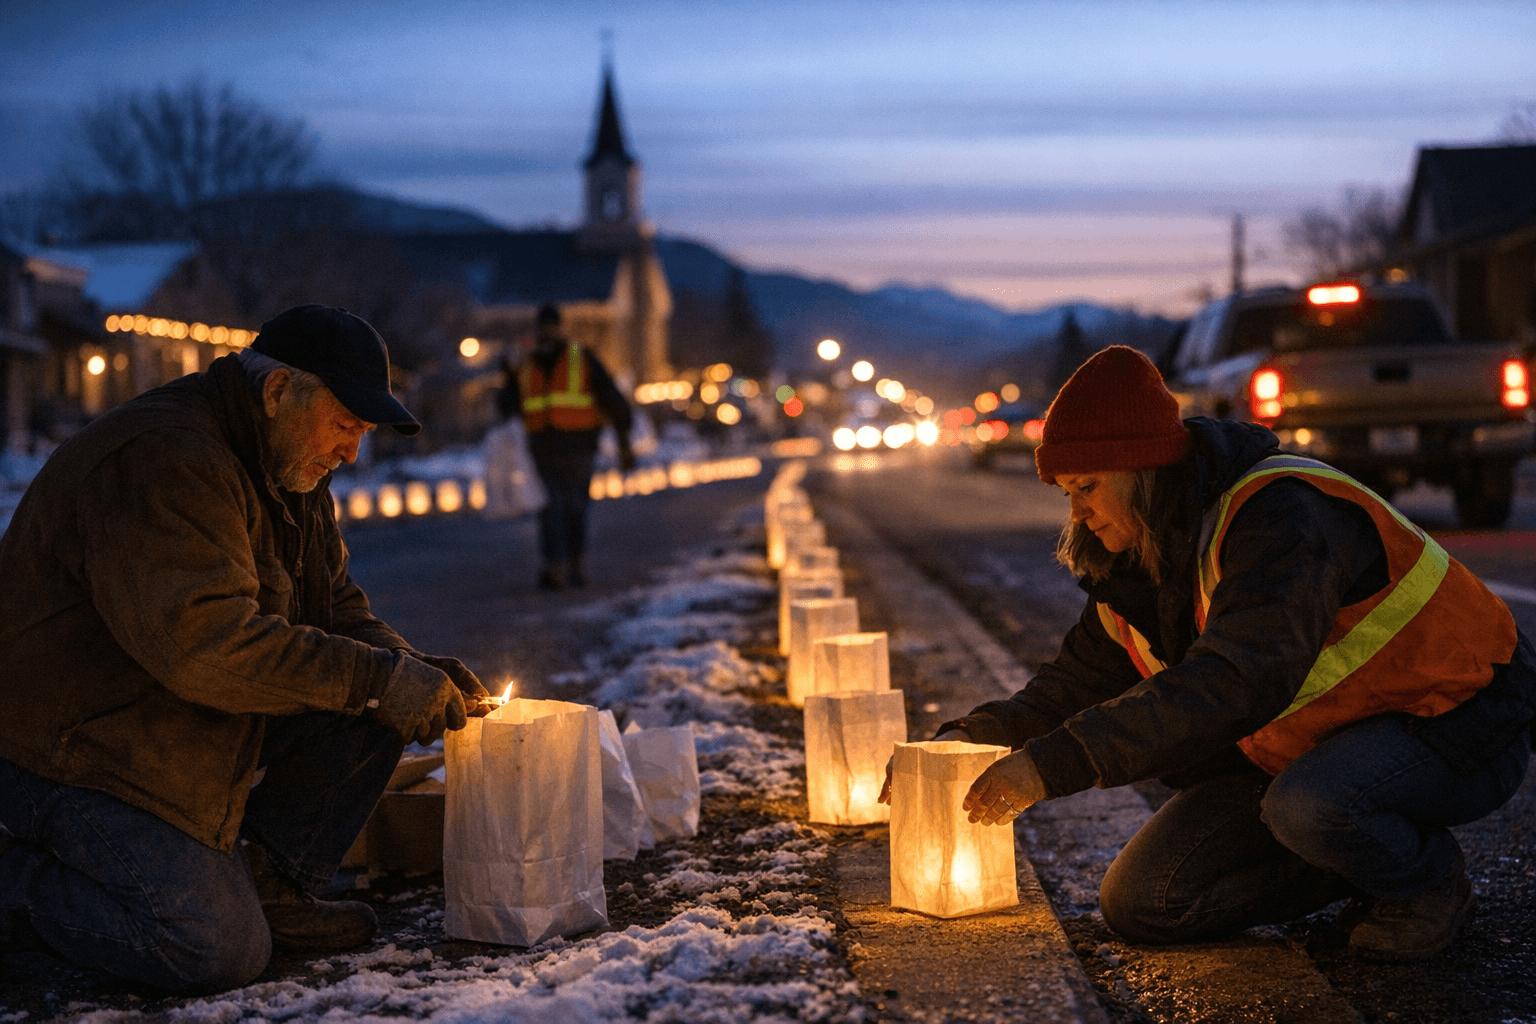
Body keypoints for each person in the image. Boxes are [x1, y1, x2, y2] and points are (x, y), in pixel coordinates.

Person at [884, 345, 1536, 962]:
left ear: (1142, 471)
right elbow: (1072, 684)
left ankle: (1424, 881)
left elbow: (1236, 681)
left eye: (1088, 485)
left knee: (1309, 807)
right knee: (1145, 902)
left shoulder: (1279, 515)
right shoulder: (1137, 567)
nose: (1078, 512)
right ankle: (1355, 862)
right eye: (1066, 493)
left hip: (1458, 718)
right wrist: (973, 737)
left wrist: (1048, 768)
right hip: (1310, 746)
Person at [0, 305, 489, 994]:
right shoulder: (167, 459)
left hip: (168, 722)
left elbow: (338, 608)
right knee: (209, 950)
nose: (352, 451)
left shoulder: (289, 462)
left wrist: (408, 670)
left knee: (378, 696)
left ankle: (269, 882)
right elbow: (203, 647)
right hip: (76, 749)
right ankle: (19, 884)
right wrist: (379, 681)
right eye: (346, 425)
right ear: (277, 392)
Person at [498, 302, 635, 590]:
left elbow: (611, 397)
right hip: (544, 448)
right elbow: (507, 406)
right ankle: (556, 566)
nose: (546, 332)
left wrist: (624, 441)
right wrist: (507, 378)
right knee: (550, 507)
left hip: (578, 445)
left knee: (573, 506)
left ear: (559, 328)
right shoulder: (526, 364)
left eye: (550, 326)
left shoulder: (579, 358)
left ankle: (572, 564)